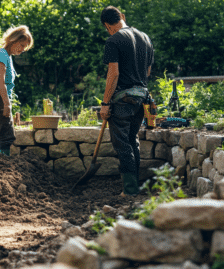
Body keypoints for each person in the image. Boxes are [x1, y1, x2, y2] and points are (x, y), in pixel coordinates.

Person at [98, 6, 154, 196]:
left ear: (107, 25)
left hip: (122, 100)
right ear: (122, 17)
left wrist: (105, 104)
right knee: (132, 141)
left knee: (122, 145)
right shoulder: (145, 38)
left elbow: (113, 74)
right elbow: (147, 72)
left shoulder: (113, 41)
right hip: (141, 98)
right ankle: (134, 187)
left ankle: (129, 190)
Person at [0, 26, 33, 155]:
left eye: (25, 47)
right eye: (21, 45)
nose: (22, 49)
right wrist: (7, 103)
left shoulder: (5, 55)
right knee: (7, 134)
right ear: (13, 41)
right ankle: (3, 166)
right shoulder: (2, 55)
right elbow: (0, 81)